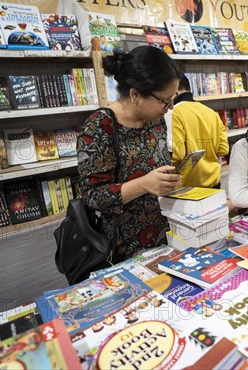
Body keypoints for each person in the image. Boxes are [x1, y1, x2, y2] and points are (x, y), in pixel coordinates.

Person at [77, 46, 182, 262]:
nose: (169, 108)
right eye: (164, 101)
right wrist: (144, 184)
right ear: (135, 94)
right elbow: (92, 196)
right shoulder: (100, 125)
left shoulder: (155, 121)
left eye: (173, 99)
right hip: (121, 247)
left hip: (165, 235)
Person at [170, 74, 229, 188]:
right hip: (214, 182)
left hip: (187, 188)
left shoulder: (173, 113)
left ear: (174, 89)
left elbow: (177, 155)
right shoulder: (212, 112)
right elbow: (223, 149)